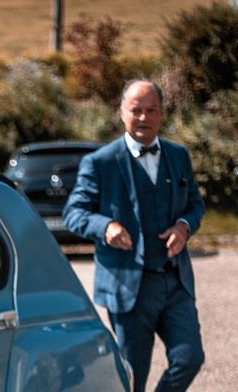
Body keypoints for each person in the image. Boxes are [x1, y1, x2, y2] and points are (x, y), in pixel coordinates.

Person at [63, 79, 205, 392]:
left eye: (151, 110)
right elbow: (74, 213)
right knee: (132, 377)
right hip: (128, 286)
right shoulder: (100, 162)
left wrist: (184, 225)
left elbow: (195, 204)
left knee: (190, 358)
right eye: (136, 110)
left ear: (161, 113)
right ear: (122, 113)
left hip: (174, 281)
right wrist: (106, 227)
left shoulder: (179, 155)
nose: (143, 117)